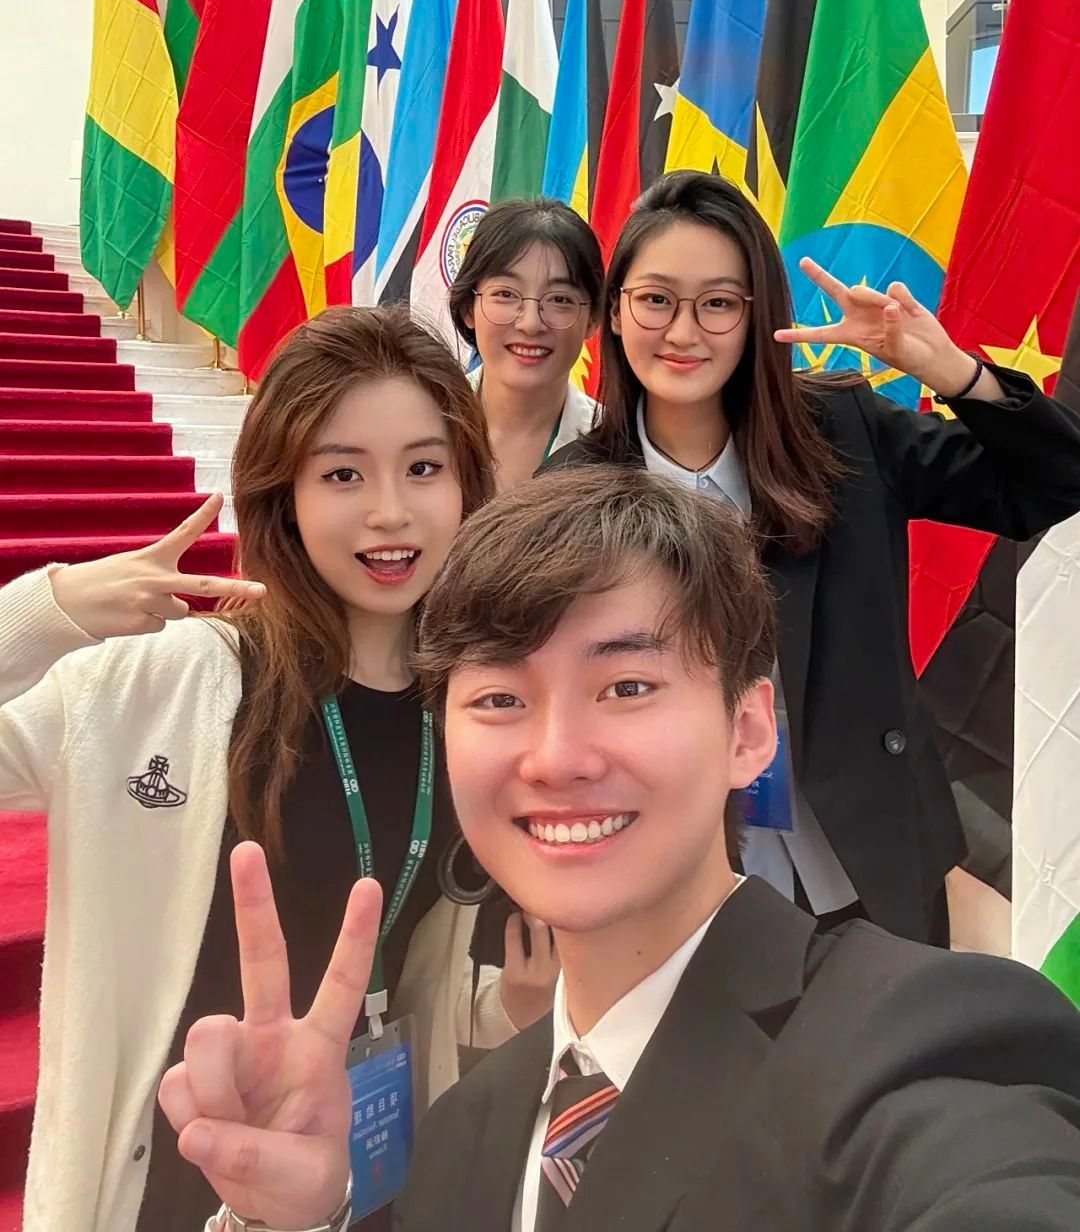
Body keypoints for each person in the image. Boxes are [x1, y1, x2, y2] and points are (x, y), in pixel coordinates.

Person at [158, 468, 1080, 1232]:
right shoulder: (465, 1133)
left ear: (749, 730)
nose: (556, 758)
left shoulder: (919, 1044)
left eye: (627, 686)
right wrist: (295, 1220)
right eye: (499, 700)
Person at [0, 306, 555, 1232]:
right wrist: (48, 609)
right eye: (343, 474)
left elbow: (417, 966)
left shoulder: (470, 705)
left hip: (358, 1167)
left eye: (424, 468)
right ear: (283, 493)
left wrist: (508, 1008)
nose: (390, 511)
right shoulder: (168, 683)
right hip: (172, 1171)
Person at [542, 170, 1080, 946]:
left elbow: (1054, 483)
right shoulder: (573, 492)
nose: (683, 332)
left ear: (757, 315)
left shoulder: (839, 431)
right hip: (676, 874)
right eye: (656, 300)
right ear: (617, 312)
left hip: (872, 856)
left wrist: (951, 372)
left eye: (718, 304)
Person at [447, 199, 602, 489]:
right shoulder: (425, 424)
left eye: (559, 299)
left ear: (593, 318)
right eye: (506, 294)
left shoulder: (617, 452)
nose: (530, 324)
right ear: (469, 307)